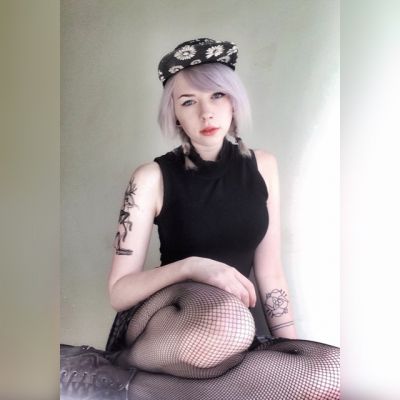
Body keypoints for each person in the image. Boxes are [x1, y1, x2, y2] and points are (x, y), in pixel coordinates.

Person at [60, 38, 339, 400]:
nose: (206, 113)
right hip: (166, 321)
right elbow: (119, 292)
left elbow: (270, 273)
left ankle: (114, 383)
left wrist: (292, 350)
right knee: (228, 322)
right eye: (188, 102)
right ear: (174, 112)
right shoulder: (151, 177)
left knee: (330, 373)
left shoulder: (263, 166)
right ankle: (123, 361)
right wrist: (192, 266)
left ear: (234, 100)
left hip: (234, 328)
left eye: (217, 96)